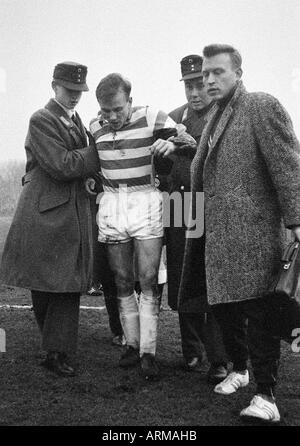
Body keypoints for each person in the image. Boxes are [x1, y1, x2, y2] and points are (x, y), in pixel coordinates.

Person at [180, 43, 300, 423]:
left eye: (218, 72)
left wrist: (297, 221)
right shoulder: (215, 115)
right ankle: (240, 369)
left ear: (238, 74)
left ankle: (266, 396)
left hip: (256, 238)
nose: (210, 80)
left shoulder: (260, 106)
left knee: (263, 316)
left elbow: (288, 166)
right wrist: (193, 228)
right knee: (226, 310)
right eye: (206, 74)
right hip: (218, 239)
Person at [89, 73, 196, 380]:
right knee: (122, 279)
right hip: (111, 203)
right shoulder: (94, 126)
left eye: (118, 110)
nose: (111, 117)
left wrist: (172, 142)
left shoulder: (152, 116)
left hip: (145, 200)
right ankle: (131, 346)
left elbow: (188, 141)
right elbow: (89, 161)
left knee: (147, 279)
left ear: (130, 102)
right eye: (105, 111)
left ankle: (149, 351)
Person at [0, 62, 100, 377]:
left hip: (66, 211)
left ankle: (56, 350)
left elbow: (73, 166)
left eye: (78, 92)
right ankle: (54, 349)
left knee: (64, 283)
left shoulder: (76, 120)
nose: (74, 97)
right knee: (48, 283)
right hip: (46, 212)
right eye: (69, 91)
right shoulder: (42, 119)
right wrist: (100, 151)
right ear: (54, 86)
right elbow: (63, 165)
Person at [163, 55, 228, 383]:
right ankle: (191, 350)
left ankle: (218, 358)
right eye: (189, 85)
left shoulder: (223, 116)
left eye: (199, 84)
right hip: (176, 204)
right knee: (180, 273)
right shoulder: (173, 117)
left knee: (209, 276)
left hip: (206, 205)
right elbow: (161, 167)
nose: (194, 91)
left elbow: (224, 163)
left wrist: (193, 146)